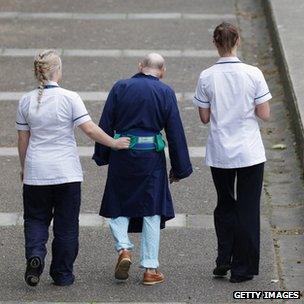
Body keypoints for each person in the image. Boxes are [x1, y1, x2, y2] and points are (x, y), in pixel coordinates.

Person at [16, 49, 130, 287]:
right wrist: (114, 143)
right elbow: (89, 129)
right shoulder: (70, 97)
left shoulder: (25, 100)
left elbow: (23, 139)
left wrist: (24, 167)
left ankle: (35, 256)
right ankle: (62, 274)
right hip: (66, 173)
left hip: (36, 173)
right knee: (66, 226)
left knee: (35, 220)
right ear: (57, 70)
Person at [93, 53, 192, 285]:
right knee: (151, 209)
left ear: (140, 66)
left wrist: (102, 155)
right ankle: (150, 268)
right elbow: (175, 131)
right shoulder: (165, 92)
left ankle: (124, 249)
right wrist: (179, 168)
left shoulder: (120, 87)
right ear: (162, 70)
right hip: (151, 159)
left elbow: (106, 122)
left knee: (118, 202)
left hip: (123, 153)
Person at [193, 22, 271, 283]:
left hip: (220, 150)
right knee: (248, 208)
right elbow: (265, 114)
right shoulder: (253, 73)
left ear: (215, 43)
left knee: (225, 204)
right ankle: (242, 268)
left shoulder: (206, 76)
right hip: (249, 151)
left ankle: (223, 258)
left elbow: (204, 117)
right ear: (238, 40)